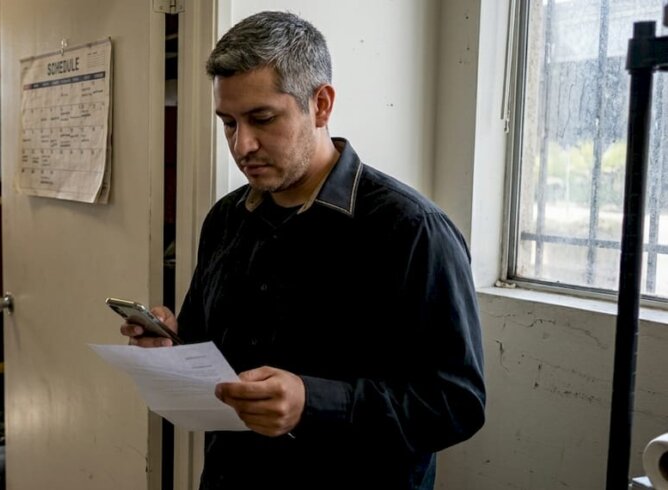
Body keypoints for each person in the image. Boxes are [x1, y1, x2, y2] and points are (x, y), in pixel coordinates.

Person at [120, 11, 486, 490]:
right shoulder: (227, 219)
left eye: (262, 118)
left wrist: (312, 402)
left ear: (321, 104)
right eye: (228, 123)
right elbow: (211, 348)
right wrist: (172, 347)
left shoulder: (412, 229)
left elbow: (457, 404)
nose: (241, 144)